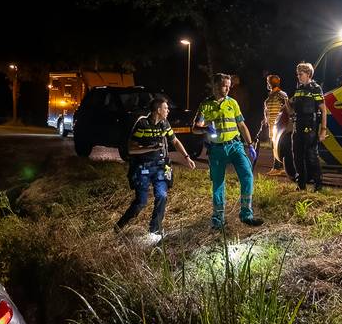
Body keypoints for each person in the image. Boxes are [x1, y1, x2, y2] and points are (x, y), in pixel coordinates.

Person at [115, 96, 196, 242]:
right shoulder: (142, 124)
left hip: (160, 167)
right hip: (143, 168)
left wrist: (187, 157)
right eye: (166, 108)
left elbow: (175, 141)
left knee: (162, 196)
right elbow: (131, 149)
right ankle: (119, 227)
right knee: (141, 202)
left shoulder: (165, 124)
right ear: (158, 110)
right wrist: (150, 147)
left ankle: (155, 230)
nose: (168, 110)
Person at [193, 73, 264, 229]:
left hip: (235, 146)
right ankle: (218, 219)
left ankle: (246, 214)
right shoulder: (205, 105)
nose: (227, 89)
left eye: (228, 86)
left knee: (247, 176)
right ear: (215, 85)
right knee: (218, 184)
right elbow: (195, 128)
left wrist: (250, 144)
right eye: (224, 85)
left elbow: (242, 125)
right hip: (216, 150)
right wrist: (205, 128)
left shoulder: (233, 103)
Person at [287, 62, 328, 191]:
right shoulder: (299, 89)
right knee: (297, 155)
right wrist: (287, 103)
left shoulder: (315, 88)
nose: (298, 76)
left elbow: (324, 110)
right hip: (297, 125)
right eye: (297, 74)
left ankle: (318, 185)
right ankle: (301, 185)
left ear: (308, 74)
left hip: (310, 125)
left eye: (301, 74)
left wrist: (323, 131)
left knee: (311, 156)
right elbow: (292, 109)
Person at [260, 74, 290, 176]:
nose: (268, 84)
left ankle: (279, 168)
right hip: (272, 124)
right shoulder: (272, 95)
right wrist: (265, 119)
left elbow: (286, 108)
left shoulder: (281, 94)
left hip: (279, 124)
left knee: (278, 146)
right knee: (274, 146)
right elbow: (267, 110)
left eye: (269, 82)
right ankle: (276, 167)